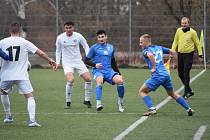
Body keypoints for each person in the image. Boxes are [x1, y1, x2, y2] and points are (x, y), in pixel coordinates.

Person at [0, 22, 56, 127]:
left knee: (3, 93)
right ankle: (32, 121)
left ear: (9, 31)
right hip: (21, 76)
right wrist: (50, 60)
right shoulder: (24, 42)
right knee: (30, 97)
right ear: (20, 31)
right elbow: (40, 52)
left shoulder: (2, 42)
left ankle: (8, 117)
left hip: (6, 76)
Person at [139, 34, 194, 116]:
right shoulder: (159, 47)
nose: (140, 44)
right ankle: (188, 109)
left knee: (142, 91)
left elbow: (150, 56)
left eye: (141, 42)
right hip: (166, 75)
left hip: (158, 75)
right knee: (172, 94)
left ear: (146, 42)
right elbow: (173, 52)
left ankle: (152, 109)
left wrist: (153, 67)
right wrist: (175, 64)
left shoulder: (145, 51)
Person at [84, 30, 125, 112]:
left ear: (106, 37)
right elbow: (86, 60)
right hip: (98, 71)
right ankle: (98, 103)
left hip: (109, 71)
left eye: (102, 37)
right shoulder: (94, 48)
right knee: (99, 81)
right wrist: (95, 65)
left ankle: (120, 101)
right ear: (97, 38)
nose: (101, 39)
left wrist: (119, 74)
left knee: (120, 81)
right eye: (99, 37)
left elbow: (113, 62)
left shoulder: (111, 47)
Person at [55, 21, 92, 109]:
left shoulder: (78, 36)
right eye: (67, 28)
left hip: (78, 61)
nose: (68, 29)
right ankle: (68, 101)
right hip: (67, 62)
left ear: (73, 28)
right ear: (64, 28)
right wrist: (57, 62)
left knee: (88, 79)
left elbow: (86, 46)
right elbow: (58, 51)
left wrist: (88, 57)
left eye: (70, 27)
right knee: (71, 80)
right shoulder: (60, 38)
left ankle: (87, 100)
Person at [171, 17, 203, 99]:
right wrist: (172, 51)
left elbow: (198, 44)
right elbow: (175, 41)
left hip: (189, 55)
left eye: (185, 23)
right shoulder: (178, 31)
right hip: (180, 54)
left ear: (188, 23)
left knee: (186, 73)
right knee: (180, 74)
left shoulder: (193, 32)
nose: (183, 24)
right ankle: (189, 90)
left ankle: (186, 93)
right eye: (182, 23)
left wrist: (200, 54)